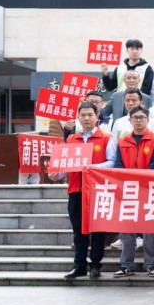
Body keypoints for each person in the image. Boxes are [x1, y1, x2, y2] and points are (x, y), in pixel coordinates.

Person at [50, 102, 115, 279]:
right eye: (83, 115)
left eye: (90, 115)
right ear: (78, 117)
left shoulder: (106, 138)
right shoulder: (72, 139)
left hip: (97, 191)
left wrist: (92, 167)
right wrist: (58, 174)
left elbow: (113, 162)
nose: (86, 118)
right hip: (76, 189)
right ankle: (79, 265)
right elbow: (67, 164)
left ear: (97, 117)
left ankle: (95, 265)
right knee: (78, 230)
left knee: (98, 230)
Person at [112, 106, 154, 278]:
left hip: (148, 190)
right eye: (136, 117)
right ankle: (126, 264)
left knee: (149, 230)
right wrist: (129, 181)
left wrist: (140, 180)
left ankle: (151, 264)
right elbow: (118, 165)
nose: (139, 120)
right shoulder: (123, 141)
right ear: (130, 120)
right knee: (127, 230)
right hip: (128, 190)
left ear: (148, 120)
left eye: (142, 117)